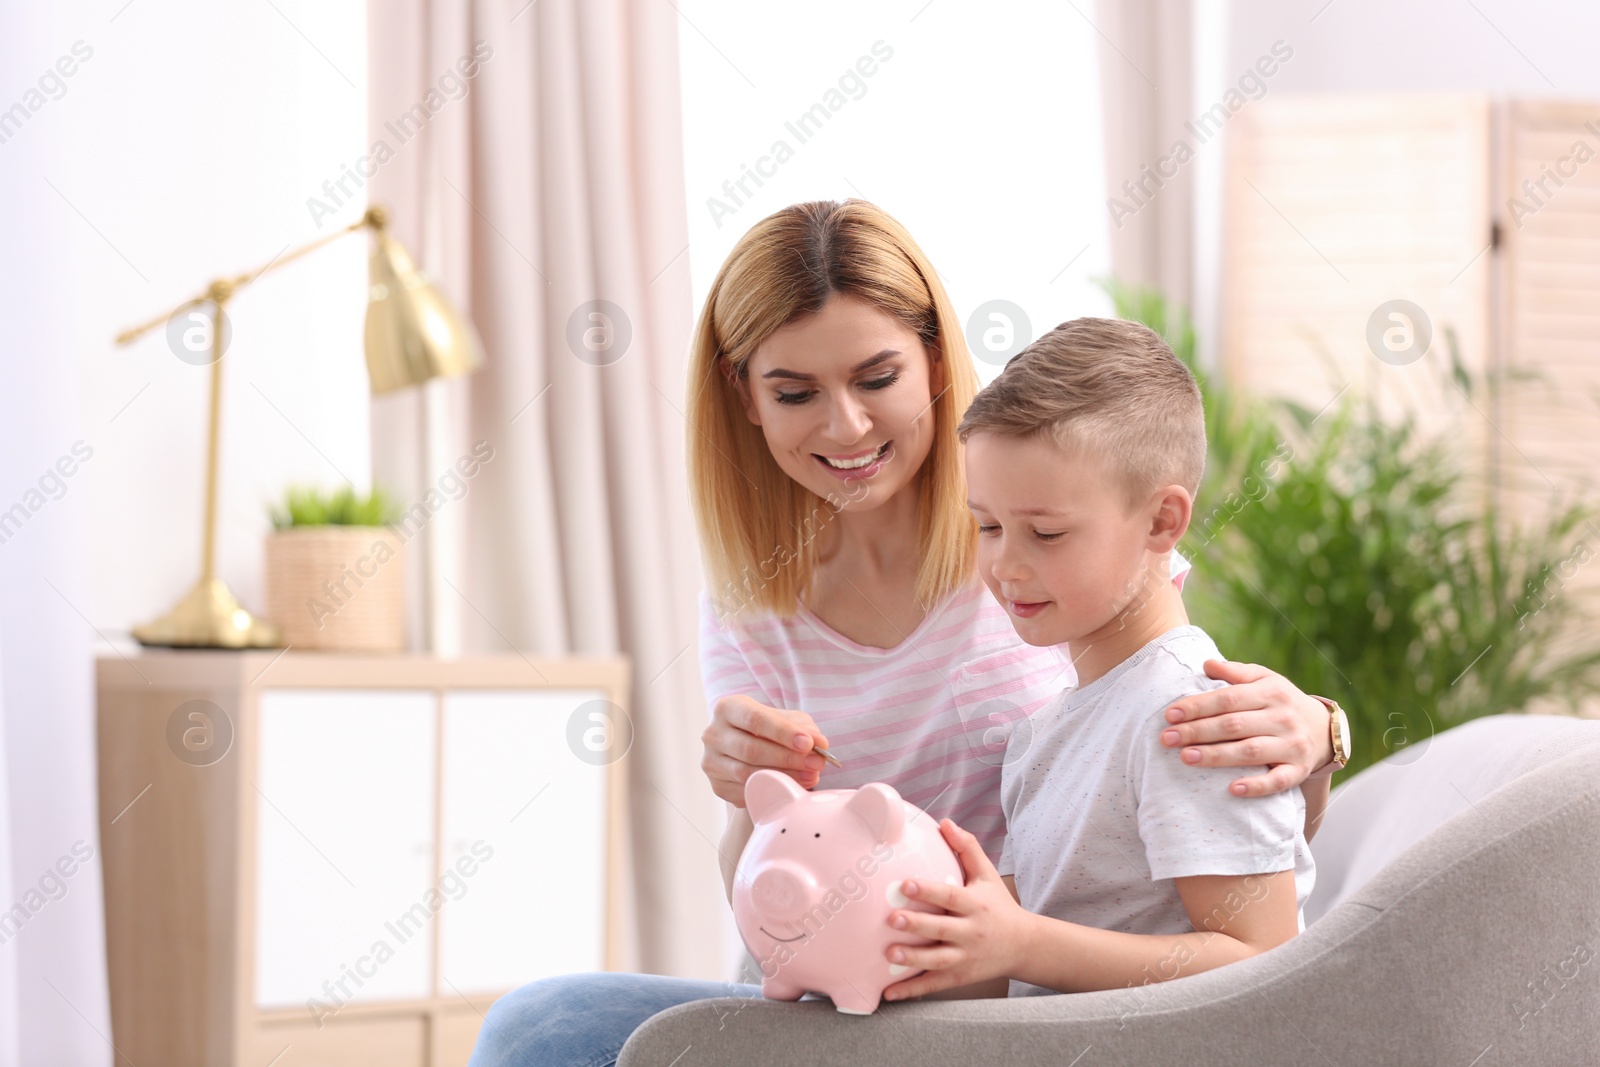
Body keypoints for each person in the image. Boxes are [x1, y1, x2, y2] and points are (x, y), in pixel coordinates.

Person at [466, 201, 1344, 1067]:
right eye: (795, 392)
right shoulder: (784, 600)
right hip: (858, 994)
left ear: (931, 361)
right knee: (541, 1026)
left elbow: (1168, 694)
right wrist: (748, 796)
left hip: (1003, 1009)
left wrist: (1319, 730)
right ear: (745, 397)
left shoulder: (1053, 541)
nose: (845, 426)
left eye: (875, 378)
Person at [878, 316, 1314, 1003]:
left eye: (1045, 532)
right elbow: (1012, 967)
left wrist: (1021, 940)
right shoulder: (1044, 731)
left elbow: (1262, 961)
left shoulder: (1192, 715)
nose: (1003, 565)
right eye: (987, 526)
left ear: (1163, 522)